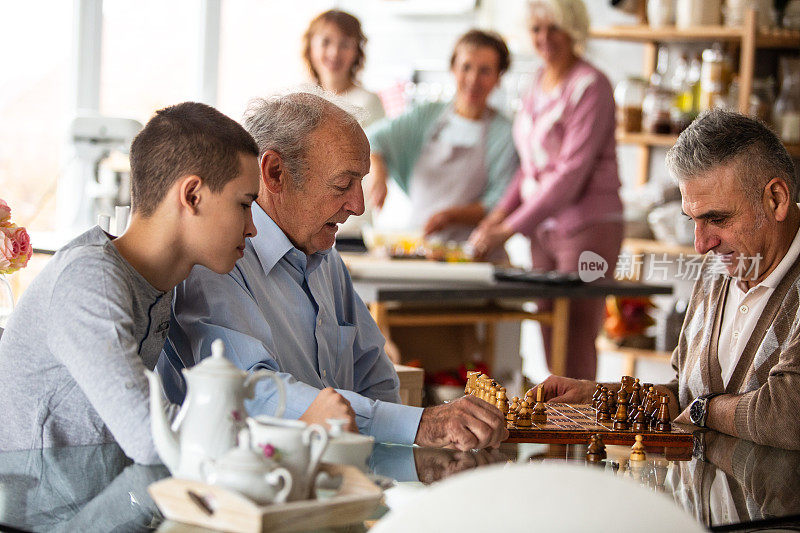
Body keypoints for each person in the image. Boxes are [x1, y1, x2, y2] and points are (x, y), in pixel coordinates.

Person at [161, 92, 508, 451]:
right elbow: (251, 396)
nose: (358, 206)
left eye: (361, 182)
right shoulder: (217, 261)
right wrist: (419, 424)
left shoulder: (324, 258)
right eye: (343, 184)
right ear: (275, 172)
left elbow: (376, 378)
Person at [0, 102, 261, 463]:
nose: (252, 227)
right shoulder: (89, 278)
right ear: (192, 196)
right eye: (244, 204)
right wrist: (275, 439)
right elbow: (150, 438)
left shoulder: (160, 284)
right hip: (40, 515)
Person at [539, 109, 800, 450]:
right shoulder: (720, 269)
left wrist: (704, 410)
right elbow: (684, 395)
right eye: (692, 220)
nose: (701, 244)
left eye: (716, 219)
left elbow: (787, 416)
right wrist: (597, 394)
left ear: (775, 199)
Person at [468, 0, 623, 379]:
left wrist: (507, 229)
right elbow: (530, 167)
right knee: (549, 333)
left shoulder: (592, 85)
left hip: (589, 228)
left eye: (554, 28)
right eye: (537, 30)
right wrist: (498, 216)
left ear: (573, 29)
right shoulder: (535, 82)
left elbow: (571, 174)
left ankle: (581, 435)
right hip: (543, 231)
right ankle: (559, 435)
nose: (544, 38)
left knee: (576, 335)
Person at [368, 29, 517, 244]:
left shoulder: (505, 133)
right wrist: (380, 175)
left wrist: (450, 216)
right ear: (453, 69)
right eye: (466, 67)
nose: (473, 79)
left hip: (473, 251)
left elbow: (499, 201)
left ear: (498, 77)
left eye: (485, 71)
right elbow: (373, 139)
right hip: (420, 245)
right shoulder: (426, 115)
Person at [303, 9, 385, 128]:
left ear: (357, 52)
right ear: (310, 47)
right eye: (325, 42)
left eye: (345, 44)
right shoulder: (299, 101)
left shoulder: (368, 102)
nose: (334, 53)